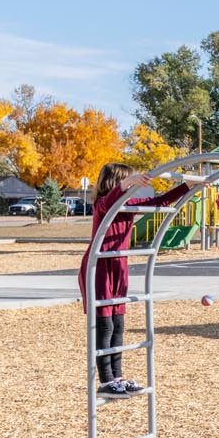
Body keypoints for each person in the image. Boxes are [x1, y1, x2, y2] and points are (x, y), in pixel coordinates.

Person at [79, 163, 192, 399]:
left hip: (118, 265)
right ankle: (106, 380)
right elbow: (109, 201)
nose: (135, 187)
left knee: (118, 324)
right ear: (117, 182)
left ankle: (117, 377)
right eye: (130, 181)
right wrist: (126, 184)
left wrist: (187, 186)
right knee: (105, 323)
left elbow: (159, 202)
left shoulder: (127, 206)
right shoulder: (102, 204)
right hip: (99, 266)